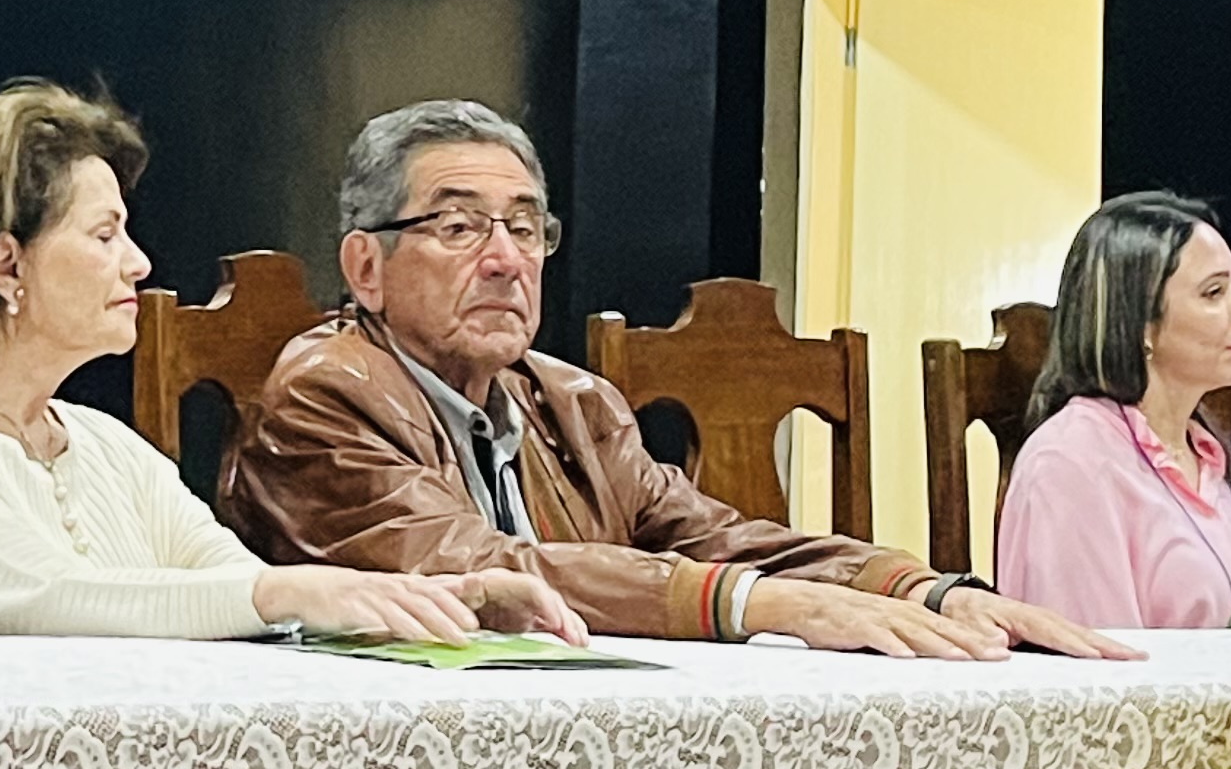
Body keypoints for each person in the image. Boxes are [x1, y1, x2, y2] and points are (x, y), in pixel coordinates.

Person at [223, 99, 1132, 657]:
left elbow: (711, 536)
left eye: (526, 228)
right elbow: (486, 574)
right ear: (365, 267)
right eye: (460, 228)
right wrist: (759, 608)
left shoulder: (571, 401)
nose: (506, 260)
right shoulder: (325, 390)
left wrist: (919, 588)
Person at [0, 83, 572, 641]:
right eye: (104, 236)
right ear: (5, 266)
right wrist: (291, 588)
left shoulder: (106, 449)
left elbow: (239, 593)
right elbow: (39, 599)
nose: (139, 263)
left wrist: (440, 604)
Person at [991, 191, 1231, 631]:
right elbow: (1094, 681)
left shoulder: (1209, 456)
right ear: (1140, 326)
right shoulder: (1070, 465)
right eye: (1214, 292)